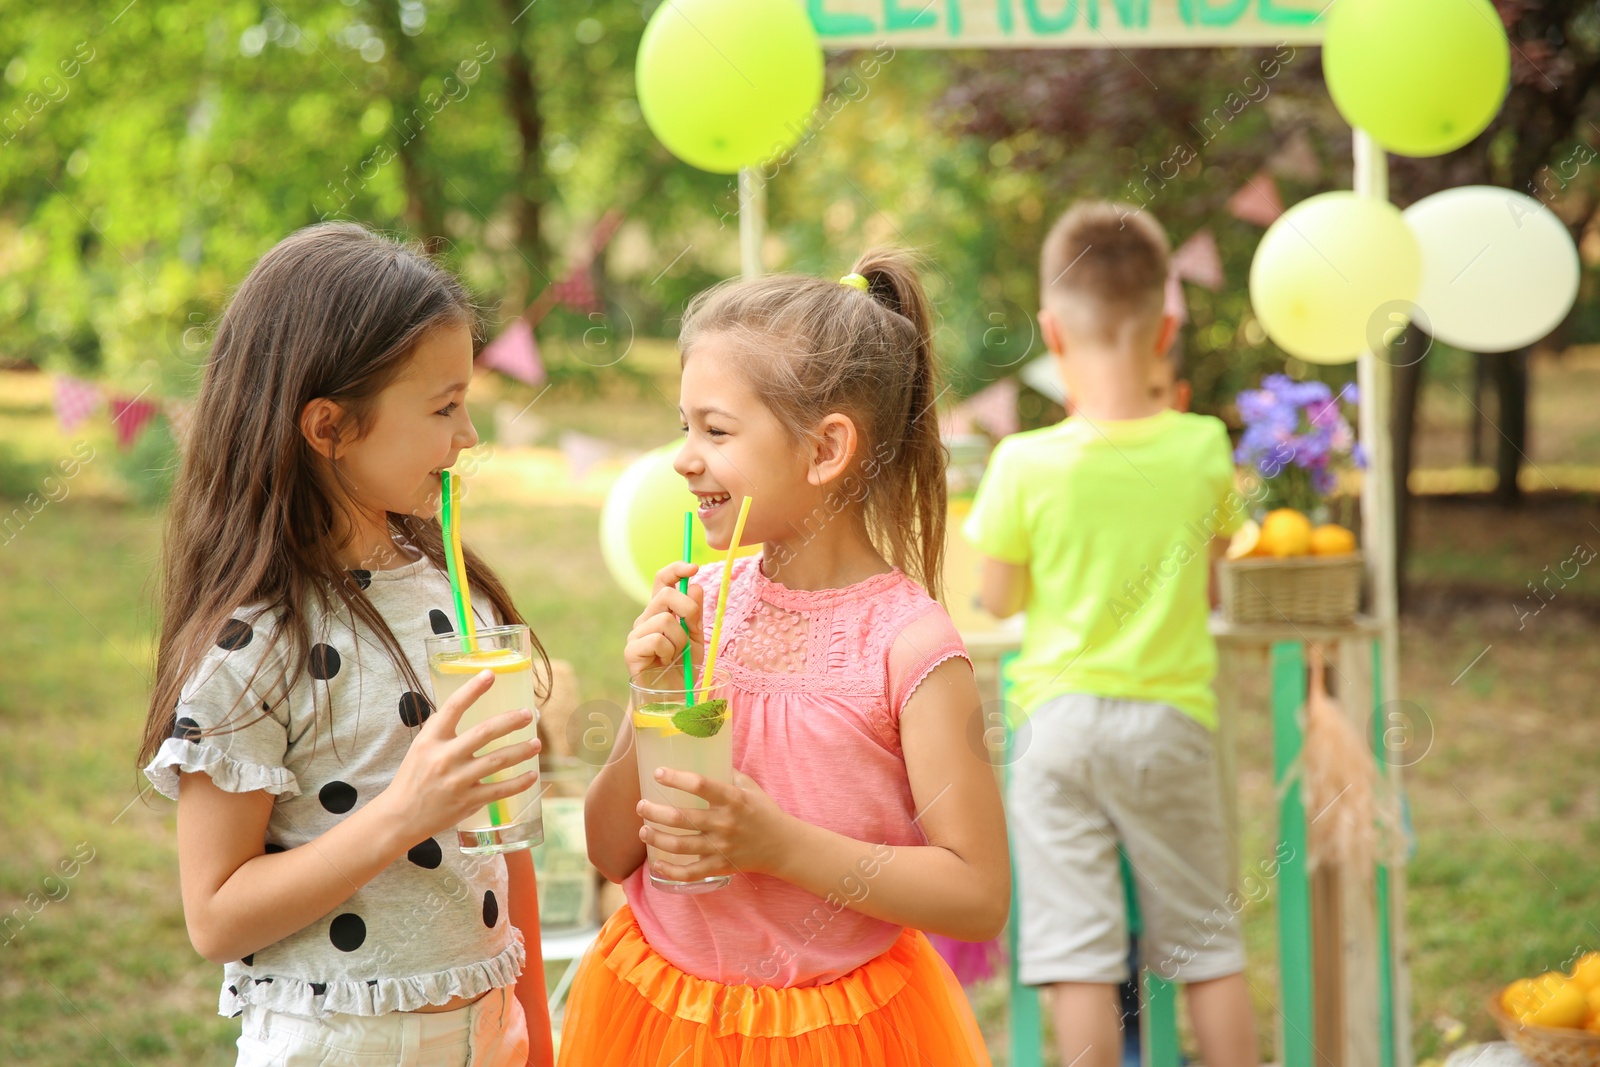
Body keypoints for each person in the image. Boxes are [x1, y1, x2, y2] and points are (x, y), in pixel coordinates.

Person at [562, 251, 1010, 1065]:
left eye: (716, 430)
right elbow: (609, 849)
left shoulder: (909, 648)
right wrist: (651, 695)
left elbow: (978, 894)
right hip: (661, 1016)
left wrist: (778, 847)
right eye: (683, 425)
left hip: (834, 1036)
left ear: (826, 448)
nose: (683, 456)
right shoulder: (701, 603)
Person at [138, 222, 553, 1067]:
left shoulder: (455, 598)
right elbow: (215, 914)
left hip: (488, 1028)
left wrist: (538, 1038)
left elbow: (505, 853)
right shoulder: (256, 642)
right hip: (343, 1045)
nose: (468, 435)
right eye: (443, 407)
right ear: (329, 426)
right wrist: (405, 814)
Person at [965, 201, 1260, 1067]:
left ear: (1053, 334)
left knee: (1075, 956)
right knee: (1207, 946)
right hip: (1170, 720)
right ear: (1167, 324)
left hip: (1056, 724)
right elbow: (1210, 575)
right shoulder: (1205, 446)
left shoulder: (1024, 462)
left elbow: (996, 596)